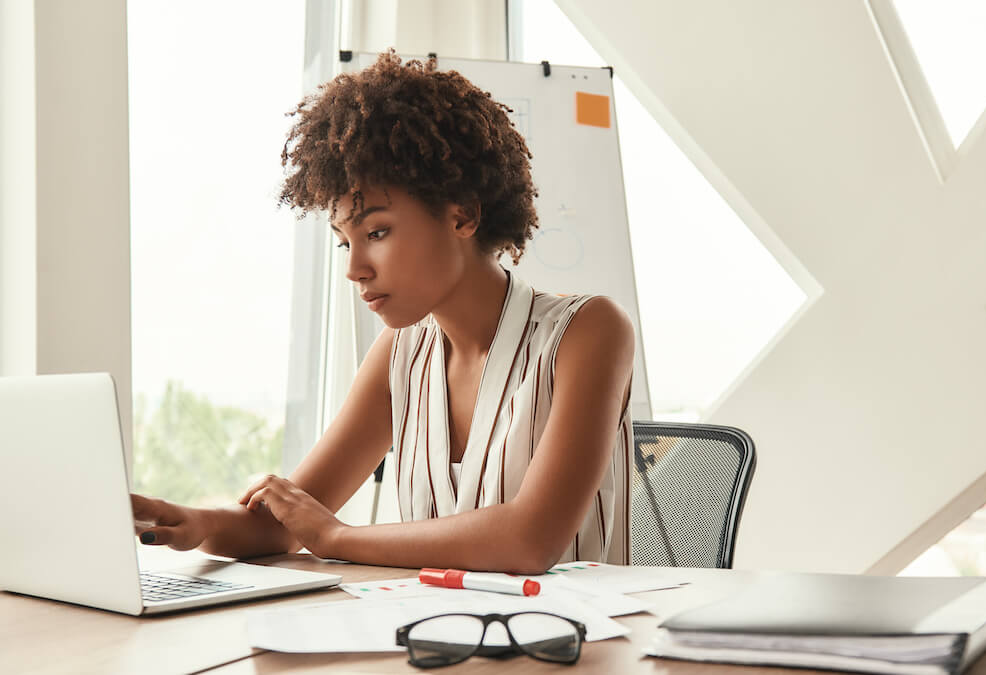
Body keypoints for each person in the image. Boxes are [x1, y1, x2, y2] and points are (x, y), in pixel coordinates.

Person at [130, 52, 635, 574]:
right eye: (345, 242)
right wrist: (194, 522)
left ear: (462, 214)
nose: (356, 269)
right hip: (431, 637)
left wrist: (336, 535)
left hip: (573, 644)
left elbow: (530, 542)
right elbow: (283, 529)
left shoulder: (588, 332)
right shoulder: (400, 354)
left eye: (376, 233)